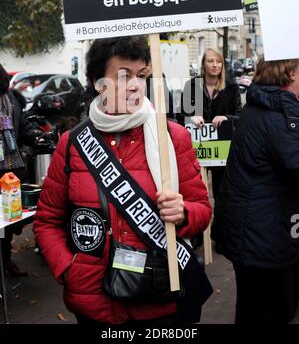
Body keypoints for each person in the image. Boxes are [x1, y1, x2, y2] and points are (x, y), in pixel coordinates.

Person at [34, 36, 212, 327]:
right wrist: (68, 269)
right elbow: (47, 220)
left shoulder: (172, 137)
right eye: (123, 76)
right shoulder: (71, 144)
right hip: (94, 303)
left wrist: (184, 213)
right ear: (96, 81)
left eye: (141, 76)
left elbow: (202, 210)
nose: (135, 85)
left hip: (159, 301)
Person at [215, 56, 299, 324]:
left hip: (258, 233)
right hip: (265, 238)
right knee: (271, 312)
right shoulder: (278, 116)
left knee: (255, 309)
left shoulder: (266, 106)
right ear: (290, 73)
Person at [178, 48, 242, 200]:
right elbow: (180, 116)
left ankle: (220, 221)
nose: (215, 65)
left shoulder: (231, 87)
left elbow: (240, 116)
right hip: (198, 148)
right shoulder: (191, 86)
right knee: (196, 190)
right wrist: (190, 117)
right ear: (203, 65)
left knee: (222, 192)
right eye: (210, 61)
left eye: (218, 61)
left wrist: (226, 117)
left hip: (222, 148)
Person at [0, 64, 41, 276]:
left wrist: (34, 134)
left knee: (8, 223)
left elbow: (22, 125)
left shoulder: (12, 99)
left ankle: (6, 260)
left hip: (11, 171)